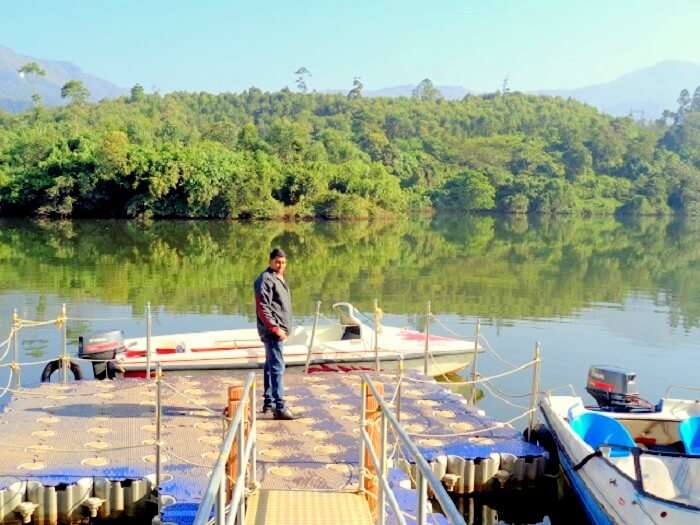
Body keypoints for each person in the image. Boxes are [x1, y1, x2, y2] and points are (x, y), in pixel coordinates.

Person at [254, 248, 295, 420]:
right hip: (273, 332)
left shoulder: (279, 278)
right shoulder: (265, 279)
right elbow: (262, 306)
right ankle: (280, 406)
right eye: (277, 262)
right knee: (278, 366)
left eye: (283, 262)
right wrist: (275, 328)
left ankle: (269, 402)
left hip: (278, 331)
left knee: (271, 366)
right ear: (270, 261)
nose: (281, 265)